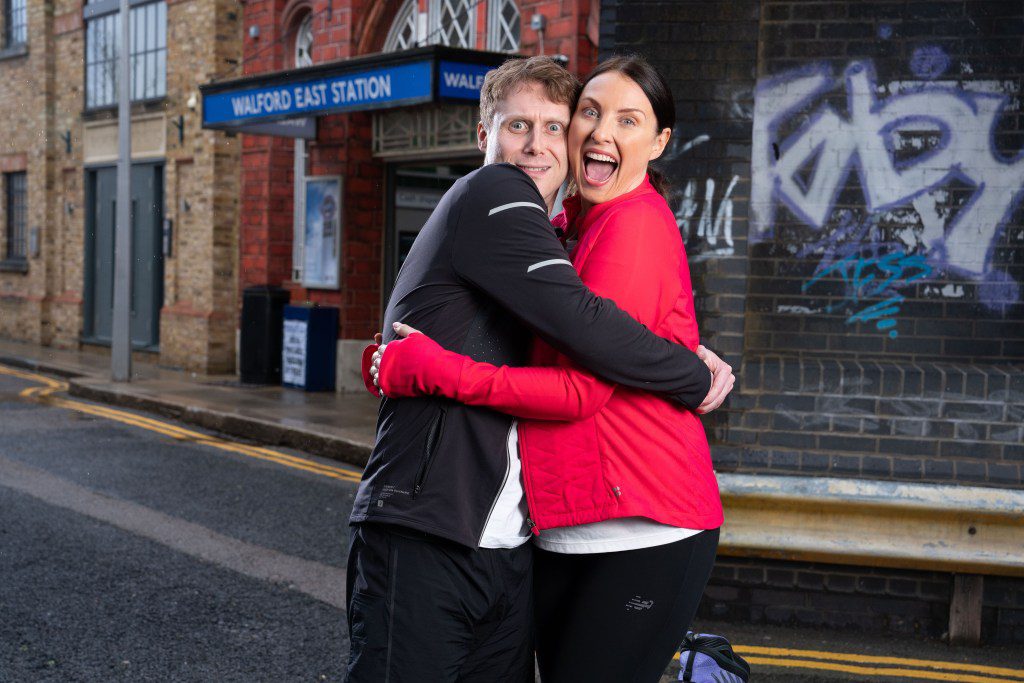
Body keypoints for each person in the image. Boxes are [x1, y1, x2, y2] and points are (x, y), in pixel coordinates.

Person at [346, 56, 734, 682]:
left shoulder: (583, 230)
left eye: (554, 126)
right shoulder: (498, 193)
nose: (538, 143)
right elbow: (583, 326)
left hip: (517, 542)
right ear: (483, 136)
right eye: (518, 125)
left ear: (657, 141)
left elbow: (587, 338)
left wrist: (684, 360)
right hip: (436, 528)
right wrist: (690, 373)